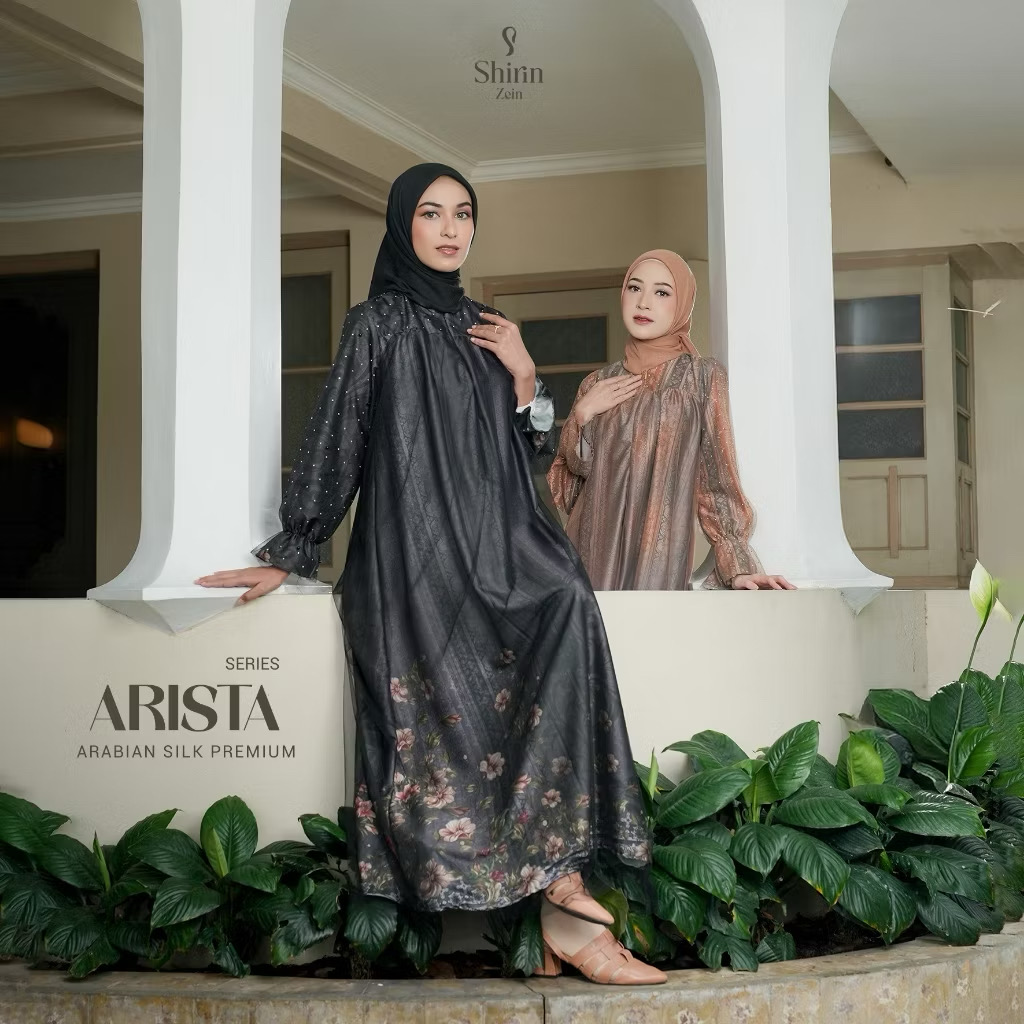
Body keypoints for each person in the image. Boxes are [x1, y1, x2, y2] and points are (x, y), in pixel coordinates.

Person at [197, 164, 665, 985]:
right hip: (410, 557)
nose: (451, 229)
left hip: (493, 544)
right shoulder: (375, 324)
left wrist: (526, 376)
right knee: (441, 704)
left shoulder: (491, 328)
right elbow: (339, 435)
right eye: (431, 213)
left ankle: (563, 888)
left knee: (566, 599)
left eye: (463, 214)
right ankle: (563, 918)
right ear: (401, 225)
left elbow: (530, 450)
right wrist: (293, 549)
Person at [547, 249, 794, 593]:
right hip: (589, 554)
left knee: (652, 624)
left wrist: (737, 566)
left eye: (662, 292)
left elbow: (717, 477)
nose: (644, 302)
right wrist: (582, 416)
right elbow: (572, 487)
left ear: (683, 305)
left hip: (657, 554)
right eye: (634, 288)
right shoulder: (596, 384)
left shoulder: (701, 377)